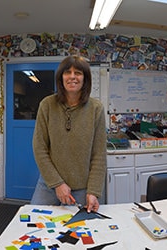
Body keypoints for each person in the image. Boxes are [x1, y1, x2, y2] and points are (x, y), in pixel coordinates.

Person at [31, 55, 107, 213]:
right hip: (49, 185)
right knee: (34, 224)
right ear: (61, 77)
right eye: (67, 72)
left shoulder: (96, 109)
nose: (72, 76)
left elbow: (99, 154)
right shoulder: (47, 105)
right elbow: (39, 148)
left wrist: (93, 191)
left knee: (79, 233)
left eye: (78, 73)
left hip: (82, 189)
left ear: (85, 79)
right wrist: (58, 184)